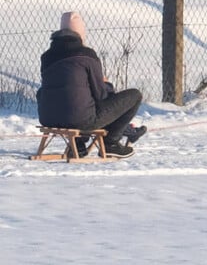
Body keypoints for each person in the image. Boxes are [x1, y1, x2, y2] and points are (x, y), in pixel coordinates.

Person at [37, 12, 143, 158]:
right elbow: (100, 95)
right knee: (135, 95)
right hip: (81, 119)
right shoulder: (86, 55)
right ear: (80, 33)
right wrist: (106, 84)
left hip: (47, 117)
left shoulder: (46, 57)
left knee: (67, 95)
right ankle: (111, 142)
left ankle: (78, 143)